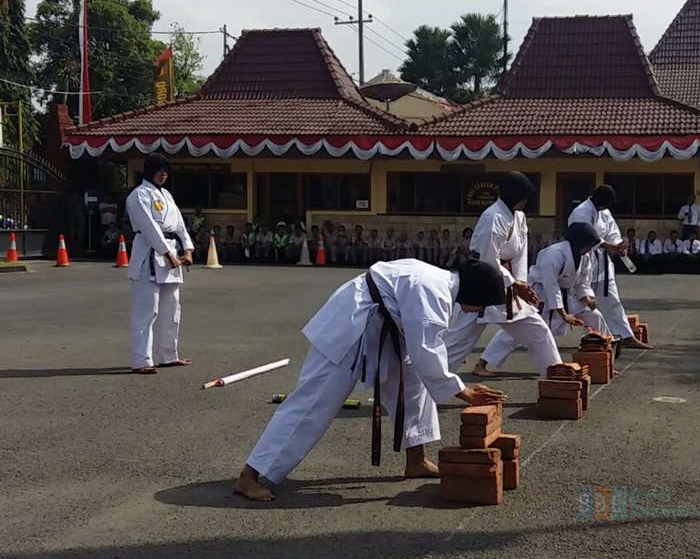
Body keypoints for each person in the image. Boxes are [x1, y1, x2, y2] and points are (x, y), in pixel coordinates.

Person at [233, 258, 509, 502]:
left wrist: (456, 387)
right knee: (314, 402)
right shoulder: (432, 291)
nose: (478, 312)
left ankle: (416, 460)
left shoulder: (438, 282)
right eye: (482, 306)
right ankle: (252, 475)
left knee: (413, 385)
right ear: (475, 293)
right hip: (352, 325)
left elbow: (423, 353)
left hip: (379, 325)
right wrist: (464, 392)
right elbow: (427, 351)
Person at [444, 171, 562, 378]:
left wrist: (522, 282)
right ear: (515, 195)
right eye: (523, 196)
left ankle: (558, 377)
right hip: (480, 283)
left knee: (538, 331)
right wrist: (515, 284)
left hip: (508, 283)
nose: (526, 201)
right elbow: (489, 260)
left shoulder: (519, 217)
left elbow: (521, 253)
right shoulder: (494, 216)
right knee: (458, 343)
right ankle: (418, 388)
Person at [477, 223, 611, 372]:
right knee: (517, 330)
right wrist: (564, 315)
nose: (590, 249)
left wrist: (587, 297)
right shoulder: (555, 253)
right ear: (579, 242)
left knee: (594, 315)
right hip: (540, 294)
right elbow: (551, 286)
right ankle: (483, 363)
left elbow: (582, 281)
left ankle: (605, 358)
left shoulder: (585, 256)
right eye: (589, 245)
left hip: (567, 294)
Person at [125, 154, 193, 374]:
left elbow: (179, 224)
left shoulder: (166, 195)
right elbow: (148, 226)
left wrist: (188, 248)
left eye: (165, 170)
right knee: (147, 311)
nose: (163, 174)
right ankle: (142, 360)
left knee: (172, 308)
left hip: (171, 253)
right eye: (159, 169)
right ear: (148, 171)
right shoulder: (138, 195)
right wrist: (167, 253)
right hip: (149, 254)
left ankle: (168, 355)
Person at [568, 185, 651, 349]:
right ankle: (592, 339)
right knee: (582, 302)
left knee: (612, 300)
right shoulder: (581, 211)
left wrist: (619, 244)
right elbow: (585, 237)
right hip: (584, 261)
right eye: (605, 204)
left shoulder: (604, 212)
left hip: (603, 263)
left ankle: (625, 335)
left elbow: (613, 231)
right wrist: (610, 247)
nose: (606, 207)